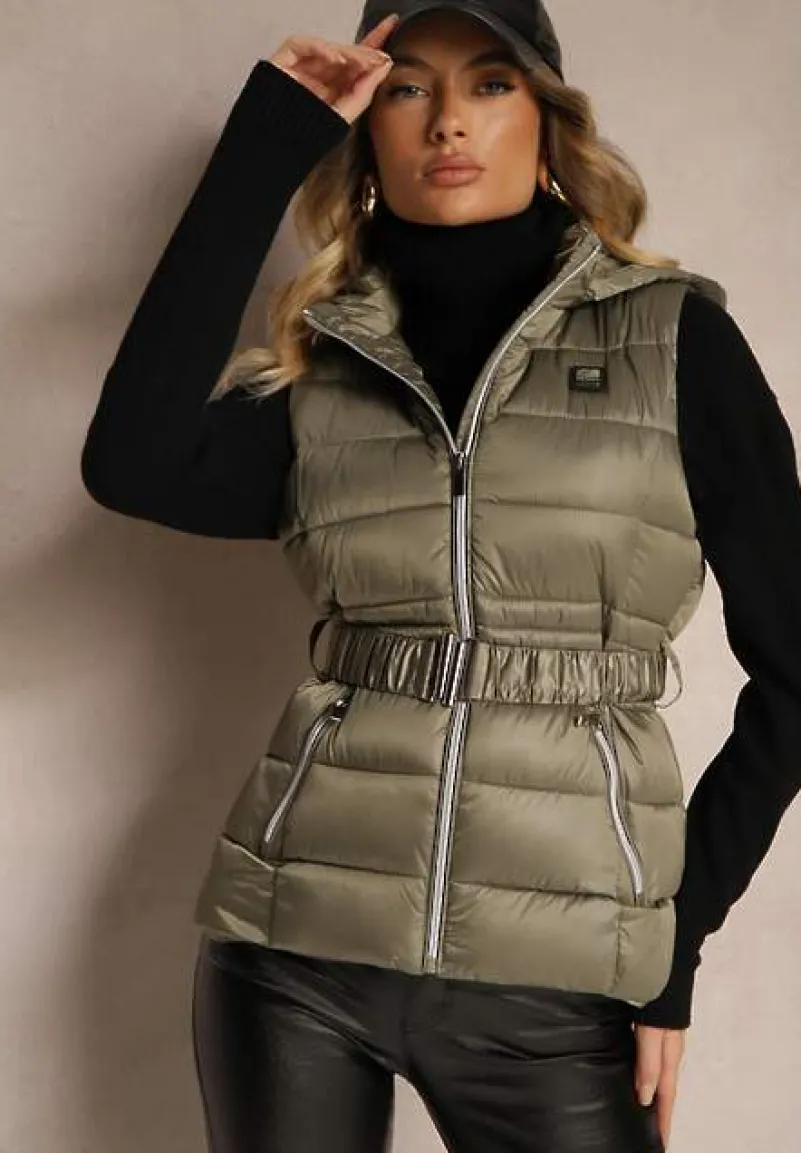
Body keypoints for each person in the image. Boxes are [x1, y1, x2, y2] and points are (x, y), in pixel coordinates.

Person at [79, 2, 801, 1150]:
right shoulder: (325, 361)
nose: (449, 120)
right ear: (368, 131)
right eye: (409, 87)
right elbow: (131, 463)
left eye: (491, 83)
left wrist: (678, 941)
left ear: (547, 118)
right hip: (293, 951)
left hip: (558, 980)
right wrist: (268, 140)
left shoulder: (673, 341)